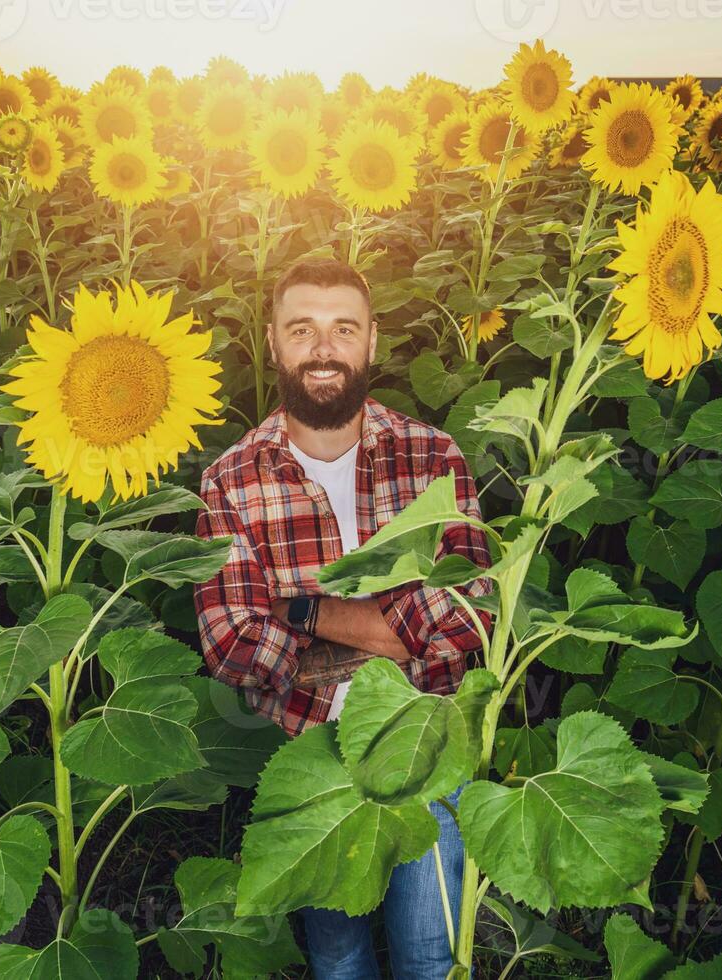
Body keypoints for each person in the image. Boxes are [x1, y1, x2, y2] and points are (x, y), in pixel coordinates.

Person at [193, 257, 492, 979]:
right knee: (337, 955)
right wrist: (393, 632)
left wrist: (302, 609)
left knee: (430, 954)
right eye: (303, 329)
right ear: (273, 342)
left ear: (371, 341)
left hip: (428, 745)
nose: (323, 348)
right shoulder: (232, 480)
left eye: (342, 329)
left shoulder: (431, 457)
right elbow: (232, 644)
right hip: (315, 759)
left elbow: (468, 625)